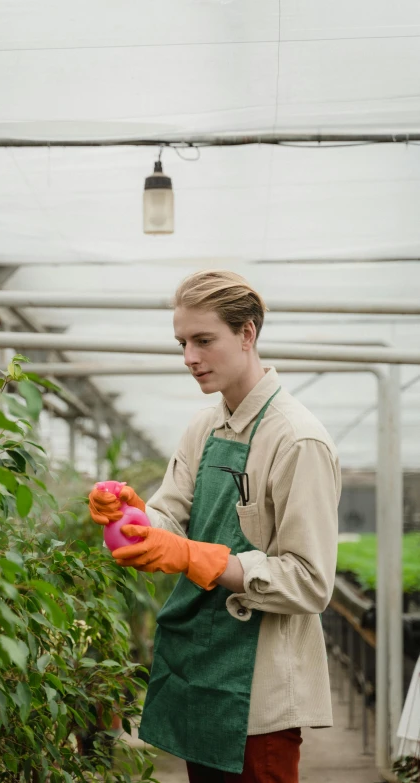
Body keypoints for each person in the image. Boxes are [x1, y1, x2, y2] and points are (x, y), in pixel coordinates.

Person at [88, 270, 341, 783]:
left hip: (258, 693)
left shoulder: (297, 440)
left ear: (247, 334)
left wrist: (197, 558)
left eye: (204, 340)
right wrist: (134, 517)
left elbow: (311, 581)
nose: (189, 358)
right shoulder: (204, 427)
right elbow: (171, 515)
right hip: (200, 671)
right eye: (182, 342)